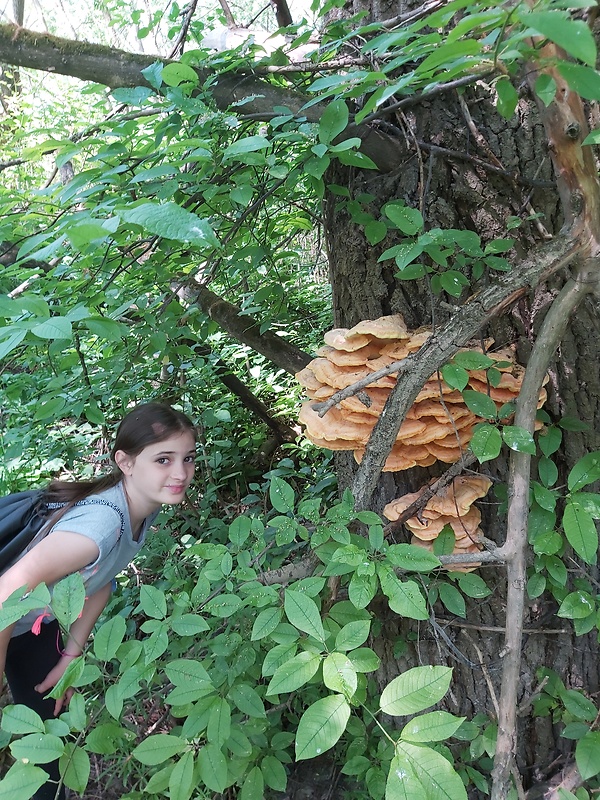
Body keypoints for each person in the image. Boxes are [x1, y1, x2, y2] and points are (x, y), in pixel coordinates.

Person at [0, 402, 197, 800]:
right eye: (163, 459)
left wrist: (70, 658)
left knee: (49, 742)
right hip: (9, 615)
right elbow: (6, 592)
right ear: (124, 462)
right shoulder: (102, 523)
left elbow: (99, 582)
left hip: (33, 626)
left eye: (187, 458)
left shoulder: (143, 506)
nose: (180, 474)